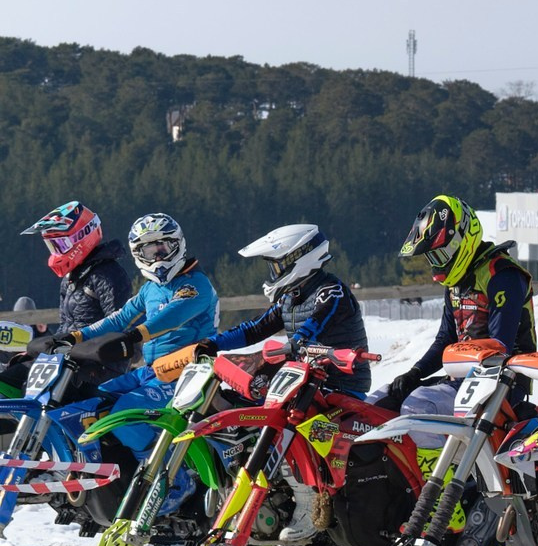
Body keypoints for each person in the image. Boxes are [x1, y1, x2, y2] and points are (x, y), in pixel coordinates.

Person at [66, 214, 221, 475]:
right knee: (95, 398)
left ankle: (167, 476)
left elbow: (172, 317)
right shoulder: (151, 289)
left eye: (165, 247)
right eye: (151, 250)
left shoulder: (195, 283)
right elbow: (120, 317)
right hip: (153, 370)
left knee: (124, 414)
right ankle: (115, 471)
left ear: (179, 244)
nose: (159, 256)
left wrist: (133, 336)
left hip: (189, 373)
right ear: (139, 254)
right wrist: (74, 338)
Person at [376, 195, 538, 414]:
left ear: (462, 239)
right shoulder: (456, 280)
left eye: (441, 255)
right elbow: (446, 338)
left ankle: (440, 450)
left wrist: (450, 368)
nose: (438, 265)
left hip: (503, 384)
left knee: (419, 405)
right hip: (462, 379)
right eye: (432, 258)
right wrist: (415, 372)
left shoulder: (502, 275)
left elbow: (500, 348)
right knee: (381, 400)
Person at [210, 224, 372, 394]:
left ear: (298, 258)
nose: (274, 274)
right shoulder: (290, 298)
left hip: (340, 389)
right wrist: (214, 343)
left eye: (277, 267)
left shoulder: (332, 291)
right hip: (303, 384)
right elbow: (256, 328)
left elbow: (317, 322)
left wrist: (295, 343)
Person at [10, 202, 133, 393]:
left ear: (81, 238)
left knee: (49, 406)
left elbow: (122, 325)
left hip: (96, 367)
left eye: (60, 244)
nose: (56, 252)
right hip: (64, 359)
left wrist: (98, 360)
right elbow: (66, 325)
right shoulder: (72, 276)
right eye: (52, 246)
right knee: (9, 378)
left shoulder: (109, 274)